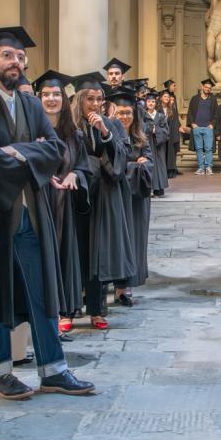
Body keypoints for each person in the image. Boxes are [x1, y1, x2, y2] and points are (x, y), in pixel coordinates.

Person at [0, 27, 95, 399]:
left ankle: (54, 369)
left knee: (42, 290)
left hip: (31, 213)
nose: (15, 62)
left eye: (20, 57)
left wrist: (16, 152)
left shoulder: (30, 104)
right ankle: (0, 373)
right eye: (7, 55)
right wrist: (30, 152)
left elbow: (56, 147)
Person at [71, 73, 136, 328]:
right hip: (75, 194)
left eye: (99, 99)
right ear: (80, 100)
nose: (95, 104)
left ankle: (97, 310)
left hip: (102, 197)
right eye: (90, 98)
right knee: (75, 252)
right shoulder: (70, 125)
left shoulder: (113, 125)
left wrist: (105, 132)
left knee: (98, 254)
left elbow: (122, 156)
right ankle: (69, 309)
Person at [32, 70, 86, 336]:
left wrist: (75, 174)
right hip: (39, 203)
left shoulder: (73, 134)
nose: (51, 99)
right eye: (46, 94)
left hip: (64, 204)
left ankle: (65, 309)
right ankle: (41, 312)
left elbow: (85, 164)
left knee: (65, 255)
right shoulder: (31, 131)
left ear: (64, 100)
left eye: (56, 94)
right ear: (38, 98)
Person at [111, 86, 154, 303]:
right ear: (113, 113)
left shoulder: (140, 137)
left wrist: (130, 166)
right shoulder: (109, 135)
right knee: (118, 239)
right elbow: (110, 166)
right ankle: (116, 283)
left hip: (138, 198)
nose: (125, 117)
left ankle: (126, 286)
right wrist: (133, 165)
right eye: (121, 113)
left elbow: (150, 163)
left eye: (128, 113)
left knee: (135, 239)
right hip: (117, 197)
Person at [186, 78, 216, 175]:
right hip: (197, 127)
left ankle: (208, 167)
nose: (208, 89)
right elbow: (190, 112)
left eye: (209, 88)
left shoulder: (213, 99)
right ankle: (201, 168)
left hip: (208, 128)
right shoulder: (195, 98)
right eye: (206, 87)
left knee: (208, 148)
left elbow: (216, 114)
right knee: (198, 149)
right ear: (202, 87)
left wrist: (212, 124)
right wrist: (192, 124)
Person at [144, 90, 171, 196]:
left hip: (158, 145)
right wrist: (150, 129)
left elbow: (166, 131)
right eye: (149, 102)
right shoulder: (143, 116)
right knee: (149, 165)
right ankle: (149, 189)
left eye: (153, 102)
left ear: (155, 103)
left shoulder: (160, 116)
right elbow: (140, 129)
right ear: (146, 103)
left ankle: (158, 189)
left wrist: (157, 131)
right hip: (147, 144)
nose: (151, 103)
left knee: (159, 166)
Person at [162, 79, 182, 177]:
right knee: (169, 149)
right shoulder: (167, 98)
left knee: (173, 149)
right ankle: (170, 169)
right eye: (174, 85)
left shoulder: (173, 97)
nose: (175, 87)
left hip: (174, 125)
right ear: (169, 86)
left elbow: (176, 112)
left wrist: (178, 125)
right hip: (168, 127)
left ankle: (173, 168)